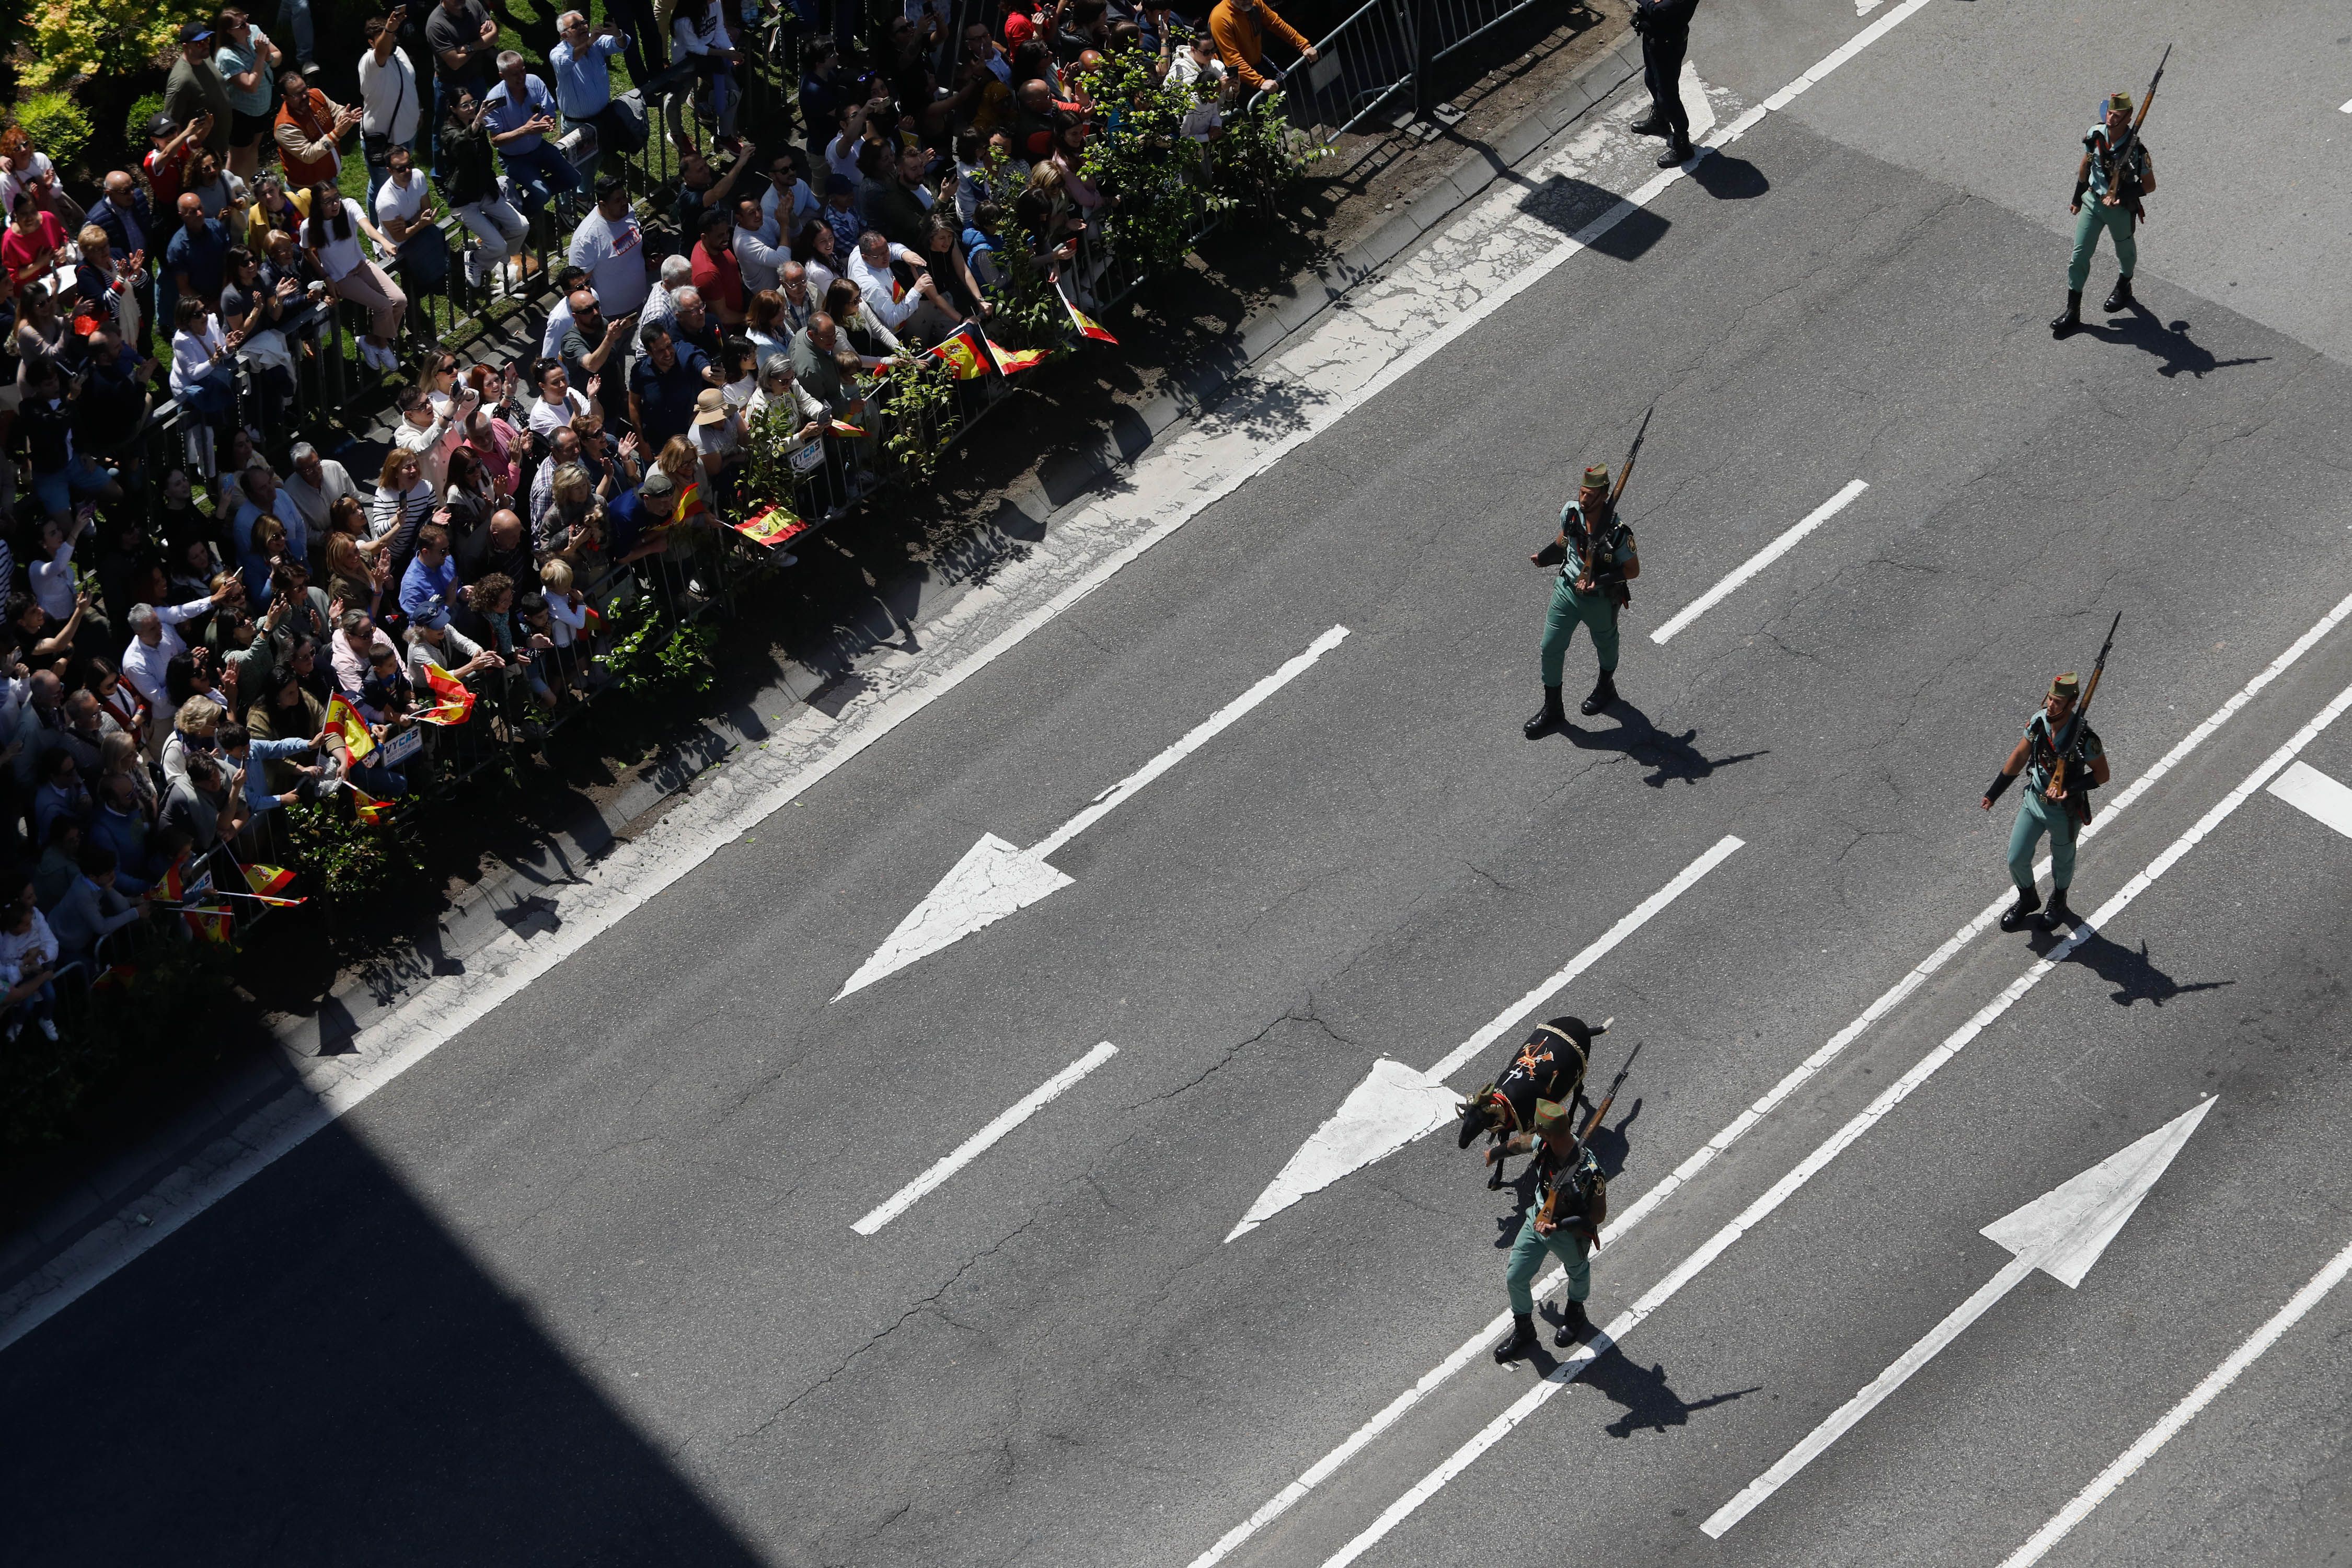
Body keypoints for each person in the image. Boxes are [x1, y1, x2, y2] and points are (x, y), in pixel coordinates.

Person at [1983, 671, 2110, 932]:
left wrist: (2069, 788)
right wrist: (1993, 793)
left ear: (2072, 704)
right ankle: (2028, 898)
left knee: (2062, 862)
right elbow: (2019, 756)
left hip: (2064, 811)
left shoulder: (2086, 739)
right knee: (2016, 858)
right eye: (2050, 699)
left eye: (2058, 702)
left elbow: (2103, 775)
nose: (2051, 705)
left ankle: (2059, 901)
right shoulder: (2039, 723)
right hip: (2034, 801)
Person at [1524, 463, 1638, 735]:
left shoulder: (1619, 532)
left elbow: (1632, 571)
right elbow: (1565, 541)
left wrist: (1596, 581)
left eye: (1590, 495)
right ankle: (1553, 710)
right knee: (1550, 647)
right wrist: (1545, 557)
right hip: (1566, 591)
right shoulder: (1571, 513)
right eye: (1582, 492)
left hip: (1599, 600)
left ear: (1604, 496)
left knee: (1606, 645)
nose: (1584, 499)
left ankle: (1606, 687)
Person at [1490, 1098, 1603, 1361]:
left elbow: (1598, 1214)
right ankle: (1524, 1331)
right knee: (1515, 1277)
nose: (1536, 1135)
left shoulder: (1590, 1170)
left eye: (1539, 1130)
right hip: (1535, 1222)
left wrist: (1559, 1225)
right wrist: (1493, 1155)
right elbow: (1520, 1143)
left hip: (1568, 1234)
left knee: (1577, 1272)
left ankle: (1576, 1312)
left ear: (1548, 1133)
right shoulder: (1545, 1143)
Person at [2054, 90, 2157, 337]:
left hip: (2119, 210)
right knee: (2079, 256)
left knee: (2125, 251)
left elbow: (2149, 185)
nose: (2111, 118)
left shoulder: (2136, 149)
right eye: (2110, 113)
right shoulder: (2095, 134)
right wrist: (2077, 197)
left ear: (2129, 117)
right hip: (2092, 202)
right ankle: (2073, 310)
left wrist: (2122, 194)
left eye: (2117, 115)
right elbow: (2086, 164)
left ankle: (2124, 285)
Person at [303, 181, 406, 372]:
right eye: (328, 201)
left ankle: (372, 341)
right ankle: (383, 346)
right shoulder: (309, 227)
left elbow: (367, 227)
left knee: (399, 301)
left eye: (336, 198)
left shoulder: (349, 206)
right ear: (318, 205)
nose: (335, 204)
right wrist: (326, 277)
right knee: (384, 306)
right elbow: (307, 252)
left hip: (362, 265)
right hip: (342, 277)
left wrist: (383, 241)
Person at [435, 85, 531, 289]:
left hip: (486, 192)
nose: (471, 108)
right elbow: (459, 144)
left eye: (473, 103)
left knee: (521, 226)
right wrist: (477, 122)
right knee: (498, 245)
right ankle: (478, 259)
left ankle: (484, 254)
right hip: (464, 200)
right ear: (453, 109)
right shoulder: (448, 131)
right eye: (465, 105)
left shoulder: (477, 127)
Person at [482, 51, 581, 225]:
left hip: (539, 148)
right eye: (515, 74)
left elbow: (549, 111)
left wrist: (548, 120)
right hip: (514, 159)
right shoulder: (494, 100)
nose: (521, 77)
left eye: (523, 70)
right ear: (502, 76)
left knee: (574, 178)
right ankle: (520, 218)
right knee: (542, 194)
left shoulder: (534, 82)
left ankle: (527, 195)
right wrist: (524, 131)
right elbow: (495, 140)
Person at [548, 11, 639, 159]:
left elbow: (622, 45)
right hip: (578, 126)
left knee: (608, 156)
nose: (583, 27)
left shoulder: (596, 40)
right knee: (584, 170)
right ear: (565, 35)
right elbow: (565, 62)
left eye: (584, 22)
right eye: (576, 26)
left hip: (604, 117)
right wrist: (589, 43)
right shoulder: (558, 53)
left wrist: (618, 35)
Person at [360, 9, 424, 205]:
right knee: (383, 191)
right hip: (384, 141)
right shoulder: (369, 61)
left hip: (408, 135)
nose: (389, 40)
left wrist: (419, 110)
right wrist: (389, 30)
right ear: (372, 43)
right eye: (382, 37)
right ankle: (379, 232)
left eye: (391, 35)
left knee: (393, 185)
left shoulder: (400, 53)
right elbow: (382, 51)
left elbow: (408, 84)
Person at [214, 8, 285, 180]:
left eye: (246, 19)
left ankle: (249, 187)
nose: (248, 25)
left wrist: (268, 56)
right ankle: (232, 196)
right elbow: (250, 85)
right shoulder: (226, 56)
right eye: (242, 25)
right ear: (230, 32)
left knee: (254, 148)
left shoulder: (254, 31)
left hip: (262, 107)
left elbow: (278, 56)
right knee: (237, 157)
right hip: (242, 113)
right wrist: (261, 55)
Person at [568, 174, 650, 317]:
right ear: (603, 205)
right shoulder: (586, 239)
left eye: (625, 197)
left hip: (641, 302)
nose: (625, 202)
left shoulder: (627, 212)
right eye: (618, 200)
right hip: (612, 316)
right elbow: (579, 286)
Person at [1629, 0, 1698, 167]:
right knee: (1651, 79)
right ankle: (1659, 122)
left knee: (1668, 96)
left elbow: (1658, 10)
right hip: (1653, 36)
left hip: (1669, 44)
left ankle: (1682, 144)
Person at [273, 67, 362, 194]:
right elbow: (309, 155)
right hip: (306, 189)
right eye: (297, 94)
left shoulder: (317, 95)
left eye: (305, 89)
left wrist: (344, 117)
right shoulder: (285, 126)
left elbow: (336, 110)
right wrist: (337, 134)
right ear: (285, 98)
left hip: (330, 178)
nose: (304, 96)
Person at [628, 322, 712, 450]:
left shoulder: (685, 353)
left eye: (669, 346)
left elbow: (702, 365)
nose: (668, 353)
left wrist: (712, 374)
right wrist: (641, 440)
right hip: (657, 445)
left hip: (691, 441)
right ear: (649, 353)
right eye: (661, 351)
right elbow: (634, 404)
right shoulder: (640, 372)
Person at [671, 0, 743, 149]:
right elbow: (695, 47)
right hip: (686, 61)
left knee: (733, 94)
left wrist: (730, 50)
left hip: (711, 57)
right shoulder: (683, 20)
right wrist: (726, 53)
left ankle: (724, 137)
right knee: (676, 99)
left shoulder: (715, 3)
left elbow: (719, 30)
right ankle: (676, 134)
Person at [1206, 0, 1317, 93]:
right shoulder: (1220, 18)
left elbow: (1276, 23)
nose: (1248, 1)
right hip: (1235, 81)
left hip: (1256, 67)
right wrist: (1259, 82)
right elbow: (1233, 60)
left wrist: (1304, 46)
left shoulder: (1255, 4)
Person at [166, 24, 237, 164]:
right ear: (186, 46)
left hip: (223, 148)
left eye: (207, 40)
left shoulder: (205, 57)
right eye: (199, 43)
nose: (205, 45)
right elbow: (172, 125)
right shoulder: (181, 81)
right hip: (204, 160)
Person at [167, 296, 241, 430]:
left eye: (204, 310)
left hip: (211, 384)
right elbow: (194, 374)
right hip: (190, 391)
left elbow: (221, 352)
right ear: (187, 321)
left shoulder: (212, 320)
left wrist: (229, 348)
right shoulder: (181, 341)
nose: (204, 315)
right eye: (198, 314)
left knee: (215, 428)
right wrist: (213, 360)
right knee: (196, 436)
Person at [282, 442, 359, 545]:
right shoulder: (291, 493)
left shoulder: (334, 468)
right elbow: (306, 534)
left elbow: (356, 498)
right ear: (298, 471)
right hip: (326, 545)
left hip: (353, 529)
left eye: (317, 464)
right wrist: (332, 535)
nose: (316, 471)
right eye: (308, 470)